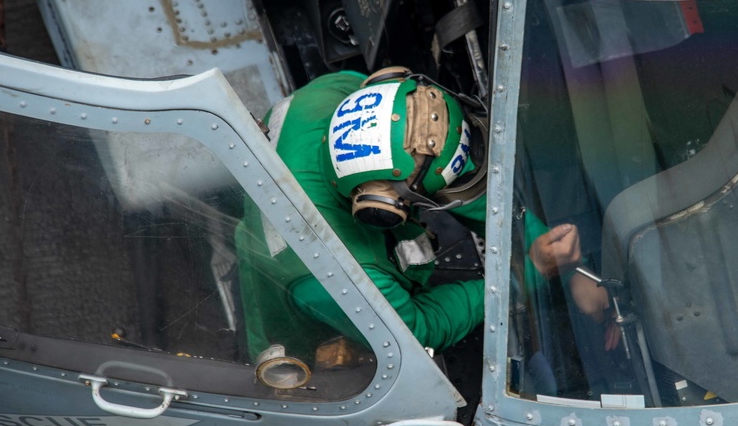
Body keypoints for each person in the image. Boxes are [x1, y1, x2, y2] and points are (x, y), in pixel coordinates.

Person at [235, 67, 609, 372]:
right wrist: (529, 272)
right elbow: (418, 330)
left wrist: (548, 251)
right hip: (314, 341)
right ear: (381, 208)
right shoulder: (337, 270)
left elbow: (458, 186)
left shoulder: (331, 95)